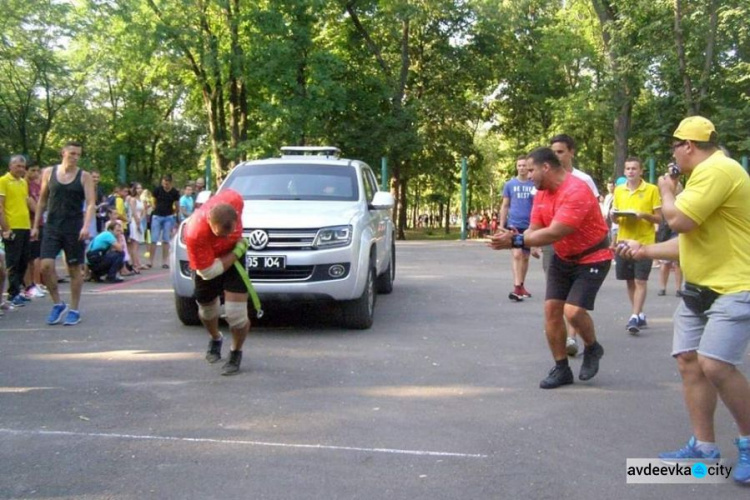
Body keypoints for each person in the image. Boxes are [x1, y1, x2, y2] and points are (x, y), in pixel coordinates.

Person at [615, 116, 750, 484]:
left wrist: (666, 189)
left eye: (674, 147)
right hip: (700, 288)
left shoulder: (718, 170)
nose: (673, 155)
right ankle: (704, 449)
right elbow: (688, 240)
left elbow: (679, 221)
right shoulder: (705, 178)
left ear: (687, 146)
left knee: (716, 364)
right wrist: (644, 250)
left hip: (734, 286)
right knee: (689, 362)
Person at [489, 147, 612, 389]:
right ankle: (562, 368)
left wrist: (515, 241)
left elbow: (557, 231)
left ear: (546, 167)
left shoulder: (576, 190)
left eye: (532, 169)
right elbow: (534, 227)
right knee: (551, 311)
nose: (529, 175)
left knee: (573, 311)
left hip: (592, 256)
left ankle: (592, 347)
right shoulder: (542, 193)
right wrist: (520, 237)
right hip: (563, 256)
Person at [183, 188, 250, 376]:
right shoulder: (195, 232)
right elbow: (207, 272)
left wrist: (235, 250)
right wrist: (236, 251)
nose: (226, 238)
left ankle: (236, 352)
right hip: (209, 262)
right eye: (221, 235)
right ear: (210, 224)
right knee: (207, 310)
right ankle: (215, 338)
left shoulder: (235, 200)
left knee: (236, 315)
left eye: (231, 232)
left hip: (234, 258)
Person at [31, 141, 96, 326]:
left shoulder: (84, 177)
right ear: (63, 153)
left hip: (74, 226)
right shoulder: (49, 173)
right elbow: (42, 201)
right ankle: (58, 304)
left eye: (78, 154)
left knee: (74, 269)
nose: (75, 157)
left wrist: (86, 226)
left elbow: (91, 203)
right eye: (72, 153)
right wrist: (36, 225)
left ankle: (74, 309)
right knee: (45, 266)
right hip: (52, 225)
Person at [548, 134, 600, 357]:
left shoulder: (583, 180)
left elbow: (595, 210)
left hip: (584, 249)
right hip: (555, 243)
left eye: (560, 151)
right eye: (553, 152)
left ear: (571, 152)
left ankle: (572, 336)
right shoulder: (546, 179)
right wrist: (535, 241)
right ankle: (560, 357)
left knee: (573, 305)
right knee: (555, 303)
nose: (556, 156)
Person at [611, 157, 661, 335]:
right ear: (624, 171)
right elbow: (615, 217)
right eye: (628, 169)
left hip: (643, 242)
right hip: (624, 241)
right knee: (630, 280)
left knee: (641, 280)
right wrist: (614, 217)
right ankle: (638, 313)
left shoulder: (651, 190)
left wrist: (643, 215)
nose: (631, 171)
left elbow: (659, 218)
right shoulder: (618, 190)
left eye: (634, 169)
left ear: (641, 171)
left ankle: (634, 316)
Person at [499, 155, 537, 301]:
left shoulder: (533, 185)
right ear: (516, 167)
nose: (521, 168)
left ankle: (521, 285)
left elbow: (537, 206)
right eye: (519, 165)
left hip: (529, 226)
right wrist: (502, 225)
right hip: (513, 225)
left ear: (528, 167)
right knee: (517, 255)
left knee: (526, 257)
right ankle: (516, 287)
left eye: (524, 165)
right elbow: (505, 205)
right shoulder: (510, 184)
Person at [0, 155, 33, 306]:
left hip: (24, 225)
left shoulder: (23, 182)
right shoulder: (3, 181)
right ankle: (12, 294)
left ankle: (18, 290)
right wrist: (5, 228)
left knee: (23, 260)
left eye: (23, 166)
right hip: (12, 226)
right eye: (18, 166)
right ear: (10, 166)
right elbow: (1, 206)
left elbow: (26, 202)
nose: (21, 169)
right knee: (13, 261)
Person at [24, 161, 46, 298]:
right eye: (32, 170)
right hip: (30, 223)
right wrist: (39, 208)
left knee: (36, 255)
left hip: (39, 223)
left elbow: (43, 204)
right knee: (30, 257)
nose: (36, 173)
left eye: (37, 171)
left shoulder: (36, 186)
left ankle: (35, 283)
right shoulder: (24, 185)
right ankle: (29, 285)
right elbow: (33, 205)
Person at [148, 174, 180, 269]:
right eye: (164, 183)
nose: (165, 185)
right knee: (154, 239)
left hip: (168, 217)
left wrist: (173, 213)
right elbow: (153, 201)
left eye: (167, 183)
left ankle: (164, 262)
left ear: (170, 183)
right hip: (157, 216)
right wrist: (155, 208)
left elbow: (177, 205)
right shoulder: (157, 190)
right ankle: (150, 261)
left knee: (166, 240)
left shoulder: (174, 192)